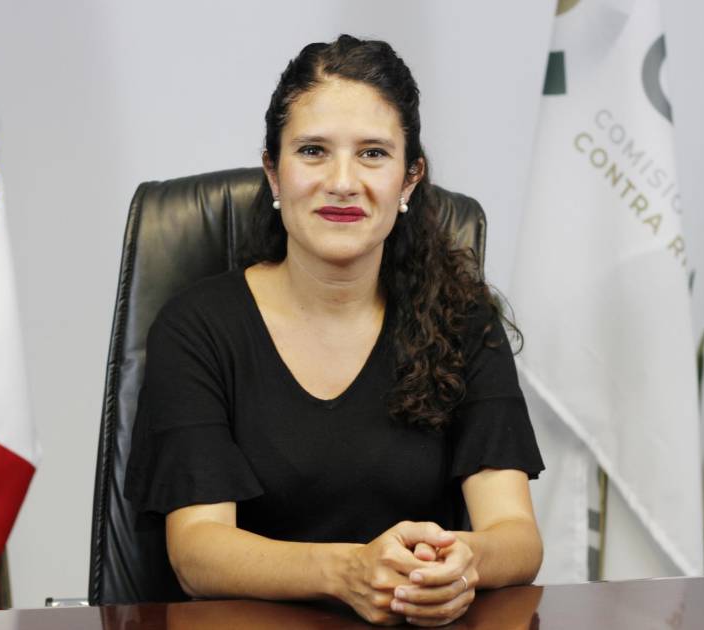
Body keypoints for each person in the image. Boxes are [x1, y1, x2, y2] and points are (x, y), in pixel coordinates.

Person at [125, 35, 544, 627]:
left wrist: (463, 561)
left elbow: (516, 535)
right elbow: (197, 550)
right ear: (273, 173)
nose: (343, 181)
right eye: (313, 151)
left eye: (373, 153)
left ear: (409, 180)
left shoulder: (462, 317)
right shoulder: (197, 327)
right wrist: (347, 572)